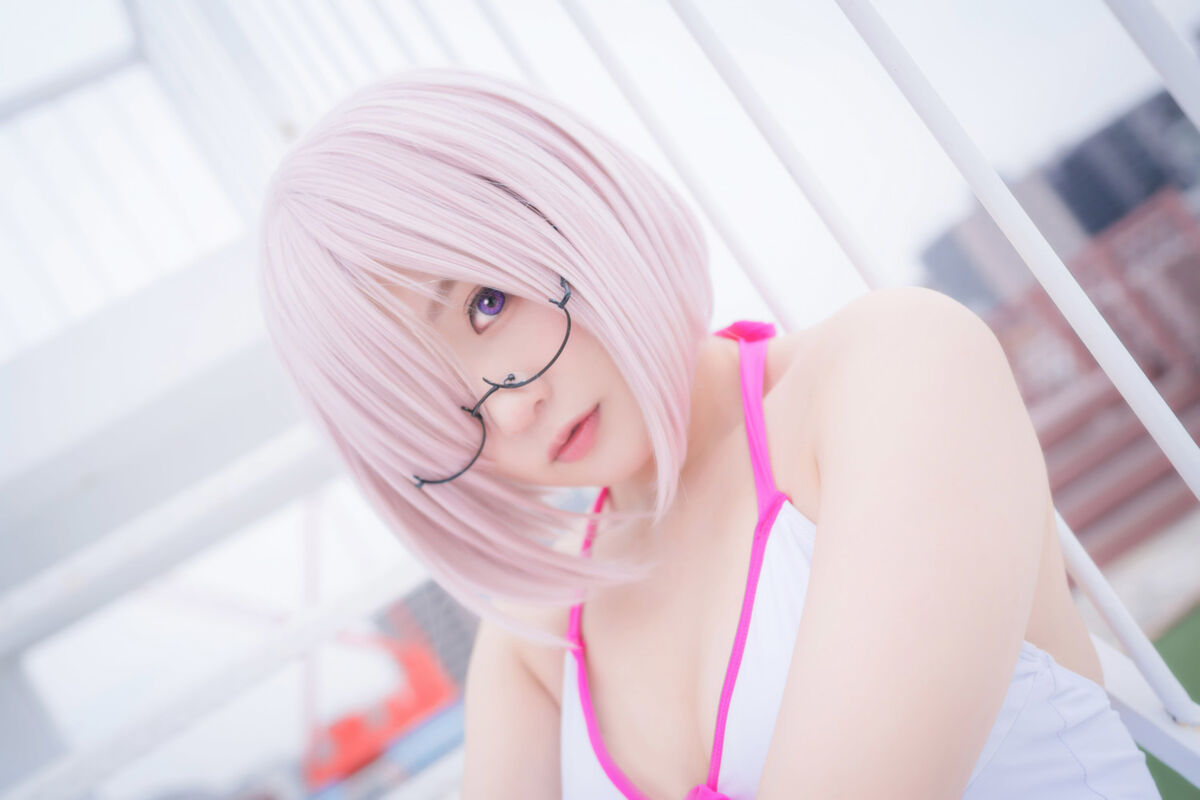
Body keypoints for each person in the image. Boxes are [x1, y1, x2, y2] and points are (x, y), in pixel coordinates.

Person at [257, 67, 1161, 799]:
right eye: (427, 395)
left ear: (566, 208)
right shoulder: (535, 640)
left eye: (485, 304)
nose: (507, 410)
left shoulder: (892, 367)